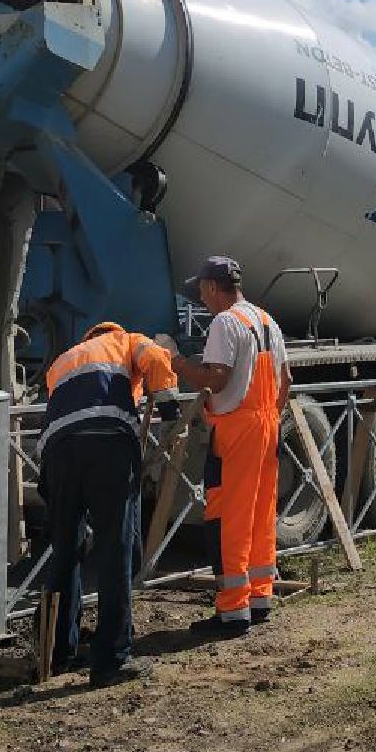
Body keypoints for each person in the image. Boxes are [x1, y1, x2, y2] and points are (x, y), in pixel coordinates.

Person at [39, 320, 178, 687]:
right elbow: (157, 358)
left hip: (57, 451)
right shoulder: (127, 341)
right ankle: (110, 661)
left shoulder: (64, 359)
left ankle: (54, 654)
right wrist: (169, 407)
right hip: (108, 445)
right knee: (115, 551)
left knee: (64, 551)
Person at [171, 256, 290, 635]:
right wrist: (268, 416)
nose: (201, 300)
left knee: (228, 518)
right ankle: (259, 597)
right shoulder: (266, 319)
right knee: (259, 511)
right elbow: (285, 378)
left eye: (201, 292)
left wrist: (175, 362)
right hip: (267, 421)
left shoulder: (225, 323)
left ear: (210, 287)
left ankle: (232, 611)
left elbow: (216, 379)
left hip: (237, 427)